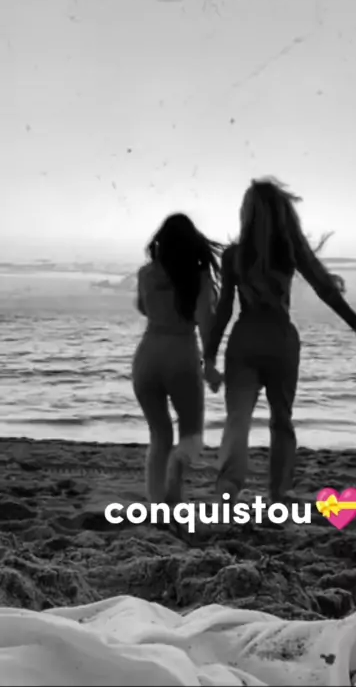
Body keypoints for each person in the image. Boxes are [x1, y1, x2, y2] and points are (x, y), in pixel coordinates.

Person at [203, 177, 356, 504]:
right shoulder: (289, 253)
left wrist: (209, 358)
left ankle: (228, 485)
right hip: (280, 340)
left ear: (246, 214)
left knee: (237, 419)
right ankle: (279, 492)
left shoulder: (234, 256)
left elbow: (224, 309)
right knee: (281, 420)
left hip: (244, 339)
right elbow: (324, 289)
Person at [132, 213, 223, 505]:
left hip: (147, 354)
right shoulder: (199, 277)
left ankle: (157, 501)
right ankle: (175, 480)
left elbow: (143, 308)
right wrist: (210, 365)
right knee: (191, 435)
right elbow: (205, 321)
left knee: (159, 435)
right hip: (181, 353)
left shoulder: (145, 274)